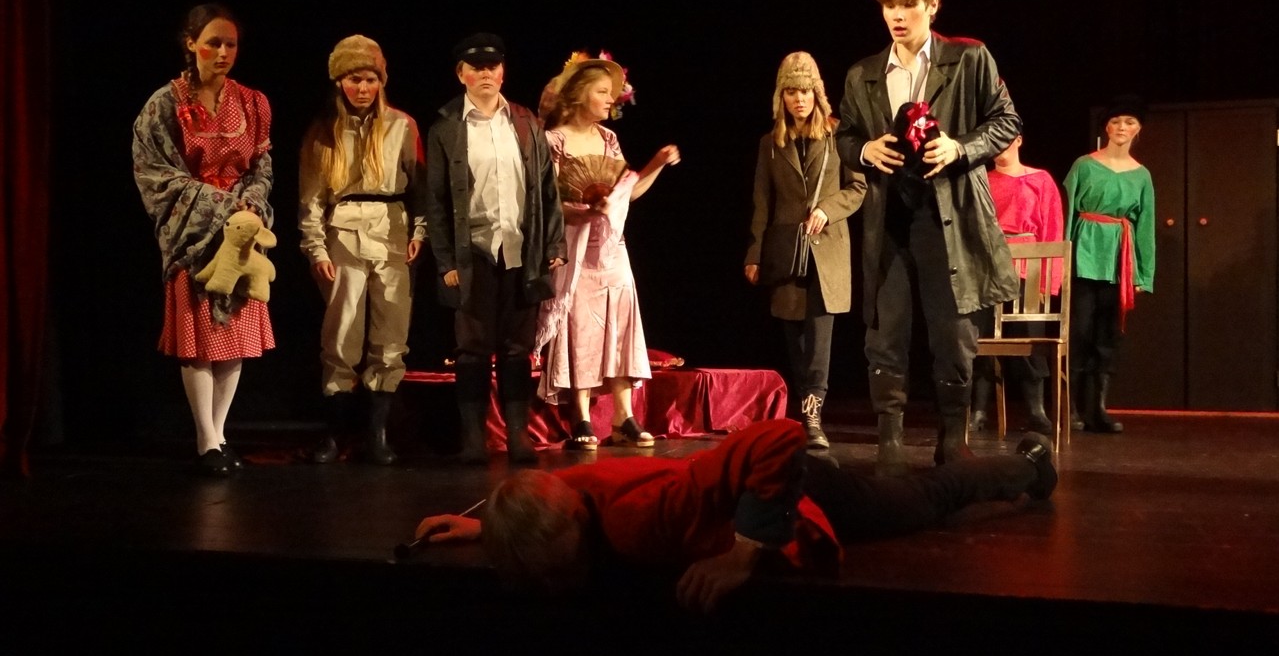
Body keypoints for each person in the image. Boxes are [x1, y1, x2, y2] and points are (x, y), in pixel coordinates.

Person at [414, 418, 1057, 612]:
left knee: (928, 498)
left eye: (555, 572)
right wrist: (491, 525)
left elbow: (779, 437)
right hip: (769, 489)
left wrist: (746, 547)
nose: (553, 587)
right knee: (913, 493)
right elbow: (552, 495)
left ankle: (1032, 466)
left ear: (575, 527)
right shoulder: (570, 499)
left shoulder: (642, 518)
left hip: (794, 491)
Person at [835, 0, 1022, 475]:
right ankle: (890, 442)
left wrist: (960, 148)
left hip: (949, 217)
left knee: (953, 333)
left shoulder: (968, 58)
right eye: (888, 6)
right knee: (885, 333)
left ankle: (952, 439)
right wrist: (865, 150)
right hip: (889, 219)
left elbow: (1006, 120)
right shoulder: (863, 72)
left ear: (932, 6)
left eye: (908, 5)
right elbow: (845, 135)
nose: (897, 15)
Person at [132, 3, 275, 477]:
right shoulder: (165, 104)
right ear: (191, 43)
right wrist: (220, 206)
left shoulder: (252, 102)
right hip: (193, 232)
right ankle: (205, 440)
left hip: (241, 232)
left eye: (231, 44)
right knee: (199, 338)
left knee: (235, 337)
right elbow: (155, 173)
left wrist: (251, 204)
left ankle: (220, 435)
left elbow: (261, 166)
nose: (223, 52)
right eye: (213, 43)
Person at [424, 33, 567, 465]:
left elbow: (547, 188)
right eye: (476, 67)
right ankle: (473, 439)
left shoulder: (524, 121)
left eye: (493, 66)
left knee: (517, 347)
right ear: (461, 74)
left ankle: (518, 436)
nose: (485, 74)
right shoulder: (447, 126)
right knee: (472, 347)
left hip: (520, 249)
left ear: (503, 72)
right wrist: (446, 261)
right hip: (474, 252)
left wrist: (554, 242)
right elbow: (436, 200)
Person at [534, 52, 680, 449]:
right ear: (580, 94)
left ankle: (623, 415)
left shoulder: (608, 139)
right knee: (581, 324)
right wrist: (582, 210)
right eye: (601, 92)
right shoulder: (554, 140)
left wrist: (656, 164)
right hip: (575, 246)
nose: (610, 99)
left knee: (620, 321)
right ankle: (581, 415)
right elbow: (546, 201)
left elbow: (625, 193)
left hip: (612, 247)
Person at [297, 35, 426, 466]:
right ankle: (335, 434)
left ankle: (378, 435)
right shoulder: (323, 132)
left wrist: (419, 231)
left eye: (370, 79)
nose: (363, 88)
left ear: (381, 81)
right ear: (340, 82)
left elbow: (420, 187)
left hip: (392, 230)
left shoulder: (401, 125)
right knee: (342, 334)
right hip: (344, 232)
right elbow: (311, 199)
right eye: (354, 79)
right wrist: (316, 249)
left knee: (391, 335)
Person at [745, 52, 867, 450]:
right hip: (785, 252)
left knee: (819, 336)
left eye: (805, 91)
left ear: (817, 94)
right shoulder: (770, 144)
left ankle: (813, 414)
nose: (799, 99)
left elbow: (858, 187)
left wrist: (827, 210)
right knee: (795, 336)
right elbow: (762, 202)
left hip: (827, 252)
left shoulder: (837, 135)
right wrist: (754, 253)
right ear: (781, 96)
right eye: (791, 91)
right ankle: (805, 406)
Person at [1063, 95, 1155, 433]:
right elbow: (1067, 212)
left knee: (1108, 336)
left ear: (1138, 129)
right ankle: (1069, 407)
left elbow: (1145, 225)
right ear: (1106, 127)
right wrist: (1060, 262)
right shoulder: (1084, 165)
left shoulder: (1141, 175)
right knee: (1079, 332)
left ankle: (1096, 409)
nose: (1122, 127)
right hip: (1084, 255)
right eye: (1116, 121)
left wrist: (1143, 274)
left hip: (1119, 260)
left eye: (1129, 122)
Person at [970, 135, 1064, 435]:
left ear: (1019, 140)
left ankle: (1036, 410)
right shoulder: (982, 179)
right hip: (989, 267)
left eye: (1005, 142)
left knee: (1027, 335)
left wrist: (1049, 280)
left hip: (1028, 267)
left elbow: (1052, 229)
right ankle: (978, 411)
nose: (999, 149)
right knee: (981, 335)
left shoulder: (1040, 179)